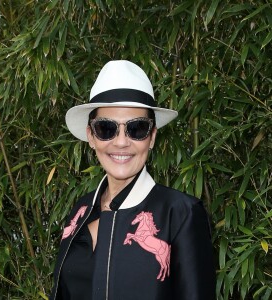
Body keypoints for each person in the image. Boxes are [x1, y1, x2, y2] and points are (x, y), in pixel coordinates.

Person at [50, 60, 216, 300]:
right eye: (106, 128)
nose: (121, 142)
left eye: (137, 128)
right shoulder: (81, 210)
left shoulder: (181, 213)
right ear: (91, 137)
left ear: (152, 137)